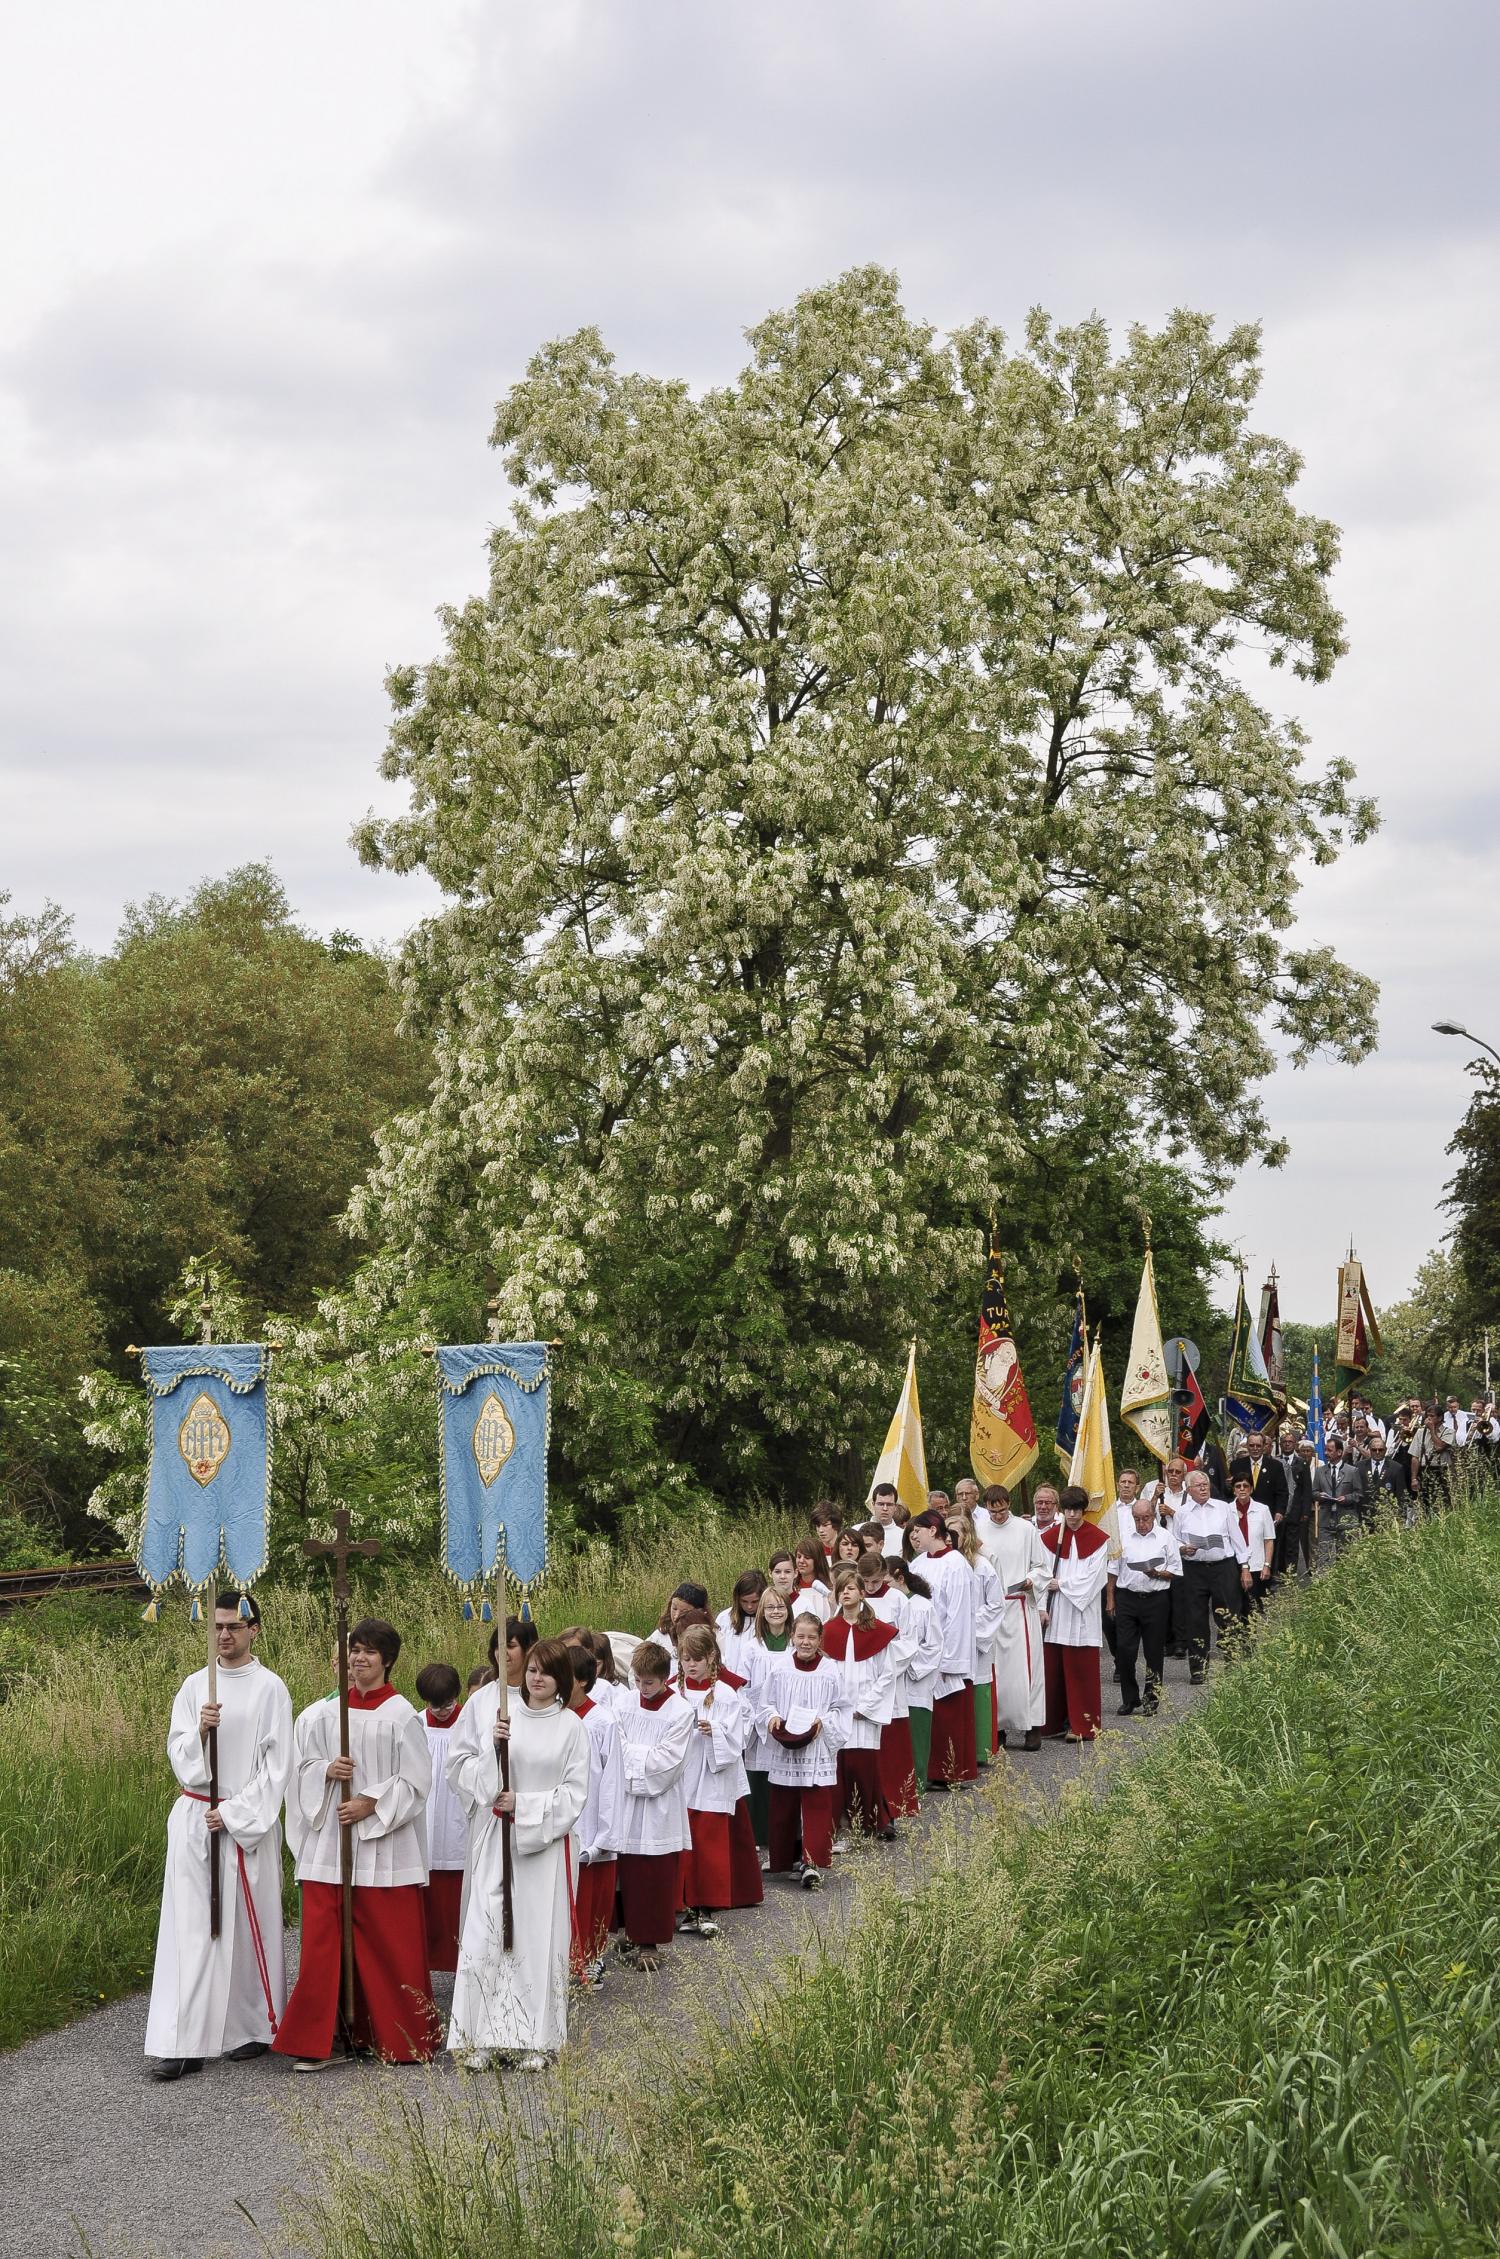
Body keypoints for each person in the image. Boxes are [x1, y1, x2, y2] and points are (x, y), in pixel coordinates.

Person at [273, 1617, 438, 2071]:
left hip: (383, 1844)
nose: (358, 1659)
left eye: (368, 1652)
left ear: (388, 1660)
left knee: (388, 1942)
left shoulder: (401, 1715)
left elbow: (417, 1782)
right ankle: (324, 2039)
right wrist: (325, 1770)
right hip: (330, 1842)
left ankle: (397, 2037)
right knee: (323, 1945)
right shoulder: (325, 1714)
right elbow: (301, 1769)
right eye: (354, 1650)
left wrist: (370, 1802)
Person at [145, 1591, 293, 2082]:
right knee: (192, 1930)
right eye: (217, 1626)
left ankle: (251, 2027)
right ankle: (184, 2040)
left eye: (234, 1626)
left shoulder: (271, 1688)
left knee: (245, 1929)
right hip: (195, 1816)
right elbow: (178, 1754)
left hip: (242, 1819)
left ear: (254, 1629)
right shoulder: (195, 1686)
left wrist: (234, 1814)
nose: (224, 1634)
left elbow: (277, 1766)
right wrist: (201, 1733)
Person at [446, 1636, 590, 2071]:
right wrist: (493, 1748)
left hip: (543, 1848)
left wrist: (523, 1805)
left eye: (545, 1672)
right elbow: (482, 1787)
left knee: (536, 1938)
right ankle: (479, 2037)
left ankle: (535, 2040)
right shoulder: (504, 1719)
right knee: (486, 1934)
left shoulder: (571, 1728)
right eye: (532, 1670)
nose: (537, 1678)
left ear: (561, 1677)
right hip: (498, 1842)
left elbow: (574, 1793)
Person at [601, 1639, 694, 1970]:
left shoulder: (681, 1712)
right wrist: (638, 1757)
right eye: (638, 1680)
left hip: (659, 1806)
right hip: (625, 1802)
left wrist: (630, 1759)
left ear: (666, 1678)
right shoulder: (623, 1703)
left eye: (649, 1682)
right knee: (624, 1869)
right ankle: (628, 1932)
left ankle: (649, 1942)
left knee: (653, 1873)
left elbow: (666, 1763)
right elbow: (614, 1746)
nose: (642, 1688)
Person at [676, 1625, 758, 1935]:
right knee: (683, 1841)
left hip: (712, 1775)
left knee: (708, 1842)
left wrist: (716, 1731)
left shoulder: (725, 1694)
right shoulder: (673, 1692)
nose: (691, 1665)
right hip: (682, 1774)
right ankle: (686, 1905)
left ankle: (707, 1906)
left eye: (697, 1659)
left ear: (711, 1657)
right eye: (686, 1659)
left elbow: (737, 1739)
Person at [759, 1611, 850, 1889]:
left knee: (816, 1805)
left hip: (816, 1747)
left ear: (820, 1639)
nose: (806, 1642)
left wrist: (824, 1722)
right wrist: (772, 1717)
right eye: (800, 1636)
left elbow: (842, 1707)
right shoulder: (780, 1669)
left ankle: (812, 1862)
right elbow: (766, 1703)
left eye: (811, 1637)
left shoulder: (830, 1670)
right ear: (792, 1637)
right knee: (783, 1805)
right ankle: (785, 1859)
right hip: (787, 1747)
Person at [822, 1569, 899, 1839]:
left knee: (864, 1766)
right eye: (841, 1588)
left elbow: (887, 1674)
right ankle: (839, 1822)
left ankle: (872, 1820)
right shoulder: (828, 1631)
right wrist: (837, 1705)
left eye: (851, 1588)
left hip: (865, 1710)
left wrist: (864, 1706)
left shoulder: (877, 1631)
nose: (845, 1592)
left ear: (862, 1594)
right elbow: (825, 1673)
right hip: (838, 1710)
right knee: (838, 1766)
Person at [906, 1508, 977, 1786]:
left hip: (947, 1653)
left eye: (918, 1531)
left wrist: (947, 1659)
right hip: (922, 1649)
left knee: (949, 1716)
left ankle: (950, 1772)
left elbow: (959, 1614)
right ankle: (928, 1770)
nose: (914, 1536)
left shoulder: (956, 1563)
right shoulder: (918, 1563)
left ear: (933, 1530)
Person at [565, 1640, 620, 1989]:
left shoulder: (602, 1721)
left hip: (592, 1826)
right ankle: (563, 1960)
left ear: (582, 1681)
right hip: (560, 1823)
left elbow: (612, 1781)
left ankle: (592, 1958)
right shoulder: (552, 1718)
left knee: (592, 1900)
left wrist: (605, 1836)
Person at [976, 1486, 1047, 1753]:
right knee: (996, 1670)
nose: (998, 1516)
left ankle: (1032, 1727)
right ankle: (998, 1729)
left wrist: (1031, 1580)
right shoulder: (979, 1530)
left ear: (1009, 1504)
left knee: (1027, 1670)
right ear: (986, 1507)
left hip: (1019, 1606)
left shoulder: (1026, 1529)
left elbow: (1041, 1566)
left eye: (1003, 1510)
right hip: (991, 1609)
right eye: (993, 1511)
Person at [1039, 1488, 1111, 1743]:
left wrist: (1062, 1584)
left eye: (1076, 1510)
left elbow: (1095, 1578)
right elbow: (1041, 1571)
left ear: (1083, 1511)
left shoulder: (1098, 1539)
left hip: (1082, 1613)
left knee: (1081, 1672)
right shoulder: (1049, 1538)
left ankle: (1083, 1725)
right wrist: (1042, 1604)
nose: (1072, 1515)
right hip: (1056, 1612)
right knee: (1053, 1672)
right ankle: (1052, 1723)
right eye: (1068, 1510)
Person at [857, 1550, 921, 1818]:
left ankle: (899, 1802)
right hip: (860, 1680)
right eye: (866, 1582)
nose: (871, 1587)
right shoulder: (855, 1599)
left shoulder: (897, 1600)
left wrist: (884, 1664)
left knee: (893, 1748)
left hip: (890, 1680)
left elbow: (909, 1642)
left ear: (884, 1575)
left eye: (875, 1581)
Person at [414, 1661, 467, 1976]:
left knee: (457, 1901)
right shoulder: (417, 1724)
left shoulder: (468, 1725)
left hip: (458, 1820)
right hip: (427, 1819)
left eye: (448, 1704)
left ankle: (462, 1965)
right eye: (435, 1705)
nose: (443, 1711)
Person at [1175, 1473, 1252, 1683]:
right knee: (1195, 1619)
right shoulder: (1182, 1513)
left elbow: (1238, 1540)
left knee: (1228, 1615)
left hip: (1223, 1567)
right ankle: (1198, 1668)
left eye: (1205, 1485)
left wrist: (1244, 1567)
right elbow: (1175, 1540)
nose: (1203, 1488)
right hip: (1194, 1569)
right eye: (1198, 1486)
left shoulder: (1223, 1508)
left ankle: (1232, 1661)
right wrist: (1183, 1548)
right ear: (1189, 1490)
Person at [1107, 1497, 1181, 1715]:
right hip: (1127, 1598)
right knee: (1125, 1649)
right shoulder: (1124, 1537)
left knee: (1154, 1651)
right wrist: (1110, 1598)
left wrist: (1157, 1573)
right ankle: (1130, 1698)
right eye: (1137, 1519)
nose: (1141, 1523)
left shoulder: (1165, 1537)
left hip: (1155, 1599)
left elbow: (1176, 1570)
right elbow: (1113, 1569)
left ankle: (1152, 1698)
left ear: (1153, 1516)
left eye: (1146, 1518)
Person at [945, 1505, 1003, 1765]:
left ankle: (981, 1750)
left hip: (976, 1641)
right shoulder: (943, 1565)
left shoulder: (981, 1566)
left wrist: (969, 1628)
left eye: (955, 1534)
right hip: (950, 1641)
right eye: (946, 1534)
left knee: (978, 1690)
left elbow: (996, 1605)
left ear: (967, 1535)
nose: (950, 1539)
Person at [740, 1585, 793, 1854]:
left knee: (786, 1780)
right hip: (758, 1722)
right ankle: (759, 1833)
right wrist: (758, 1715)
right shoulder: (752, 1648)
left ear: (789, 1610)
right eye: (770, 1607)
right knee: (759, 1777)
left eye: (780, 1606)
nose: (776, 1612)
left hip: (789, 1720)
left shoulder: (795, 1645)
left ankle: (784, 1837)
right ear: (762, 1611)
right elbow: (743, 1685)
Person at [885, 1555, 941, 1791]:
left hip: (915, 1681)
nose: (884, 1588)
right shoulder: (885, 1604)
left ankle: (916, 1786)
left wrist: (908, 1664)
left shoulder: (923, 1606)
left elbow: (934, 1645)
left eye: (886, 1582)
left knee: (916, 1737)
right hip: (891, 1679)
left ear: (900, 1578)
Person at [1230, 1476, 1276, 1610]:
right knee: (1234, 1608)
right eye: (1238, 1486)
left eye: (1245, 1486)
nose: (1242, 1489)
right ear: (1234, 1490)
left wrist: (1267, 1565)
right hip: (1232, 1566)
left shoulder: (1263, 1510)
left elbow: (1269, 1540)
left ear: (1251, 1489)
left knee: (1253, 1608)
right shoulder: (1226, 1510)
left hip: (1256, 1565)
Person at [790, 1540, 833, 1624]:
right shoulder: (792, 1589)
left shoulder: (829, 1589)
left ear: (817, 1560)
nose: (801, 1561)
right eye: (799, 1556)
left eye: (807, 1557)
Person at [869, 1481, 906, 1559]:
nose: (885, 1508)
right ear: (873, 1505)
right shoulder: (857, 1530)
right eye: (881, 1504)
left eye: (889, 1504)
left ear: (895, 1507)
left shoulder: (903, 1536)